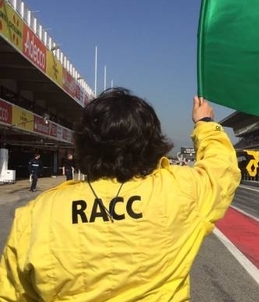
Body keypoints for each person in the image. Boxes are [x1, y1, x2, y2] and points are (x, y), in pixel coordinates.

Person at [0, 88, 241, 301]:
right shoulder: (177, 190)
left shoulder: (39, 213)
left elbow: (11, 293)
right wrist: (205, 123)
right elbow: (221, 170)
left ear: (84, 144)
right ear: (151, 143)